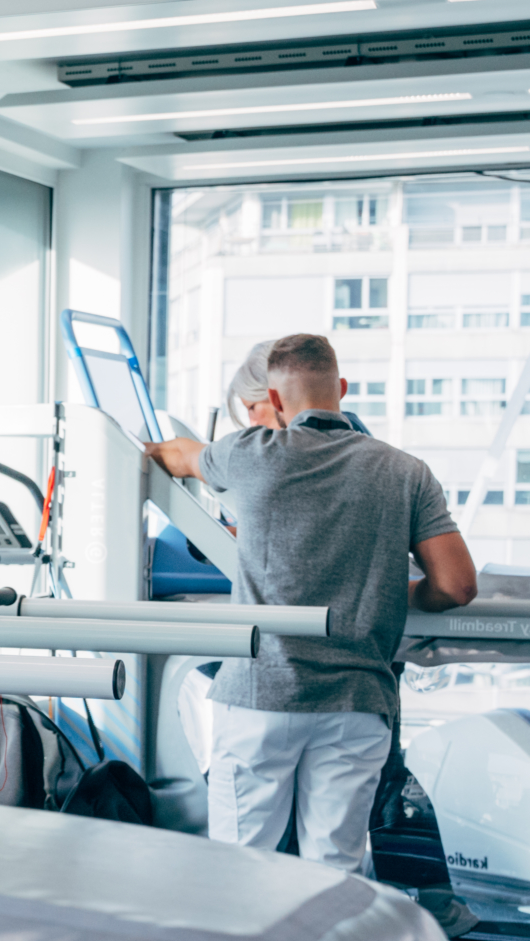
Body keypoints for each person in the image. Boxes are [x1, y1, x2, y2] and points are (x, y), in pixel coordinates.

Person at [146, 332, 477, 869]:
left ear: (273, 403)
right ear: (341, 389)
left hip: (260, 696)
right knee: (335, 873)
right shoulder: (405, 471)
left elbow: (179, 457)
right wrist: (384, 592)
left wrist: (138, 449)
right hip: (357, 701)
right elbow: (457, 585)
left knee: (239, 867)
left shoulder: (251, 454)